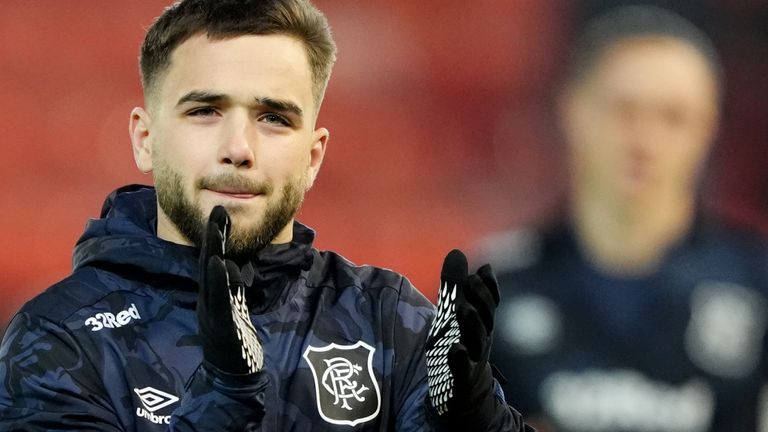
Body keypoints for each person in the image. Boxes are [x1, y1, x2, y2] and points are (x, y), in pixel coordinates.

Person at [0, 1, 531, 430]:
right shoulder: (59, 339)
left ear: (313, 157)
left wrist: (475, 421)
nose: (239, 148)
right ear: (145, 139)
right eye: (205, 111)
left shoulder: (387, 320)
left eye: (274, 118)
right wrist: (224, 398)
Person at [484, 5, 768, 432]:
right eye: (624, 111)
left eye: (673, 117)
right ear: (572, 110)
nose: (645, 141)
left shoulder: (757, 284)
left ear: (708, 128)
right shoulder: (495, 286)